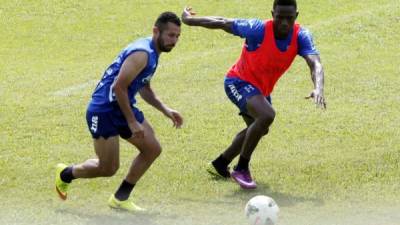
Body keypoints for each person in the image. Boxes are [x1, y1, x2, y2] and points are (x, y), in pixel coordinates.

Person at [181, 0, 326, 189]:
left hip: (261, 90)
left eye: (289, 18)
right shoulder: (257, 29)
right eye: (279, 17)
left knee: (260, 128)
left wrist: (318, 88)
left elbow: (316, 64)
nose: (283, 22)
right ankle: (241, 168)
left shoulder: (301, 36)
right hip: (238, 82)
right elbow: (223, 22)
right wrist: (189, 20)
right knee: (267, 115)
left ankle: (220, 163)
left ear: (296, 16)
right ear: (272, 14)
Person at [55, 12, 183, 211]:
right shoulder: (142, 53)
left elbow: (143, 86)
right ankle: (66, 174)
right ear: (156, 31)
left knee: (152, 149)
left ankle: (121, 198)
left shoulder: (153, 52)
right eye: (170, 35)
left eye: (177, 36)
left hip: (123, 106)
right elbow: (118, 87)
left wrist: (165, 109)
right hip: (104, 110)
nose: (174, 41)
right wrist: (132, 122)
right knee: (107, 168)